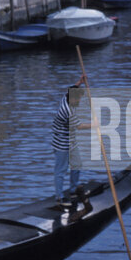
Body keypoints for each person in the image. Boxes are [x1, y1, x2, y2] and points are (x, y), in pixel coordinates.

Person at [51, 76, 90, 204]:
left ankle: (73, 190)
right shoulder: (68, 111)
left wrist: (80, 82)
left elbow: (72, 89)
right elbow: (79, 126)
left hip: (71, 140)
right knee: (60, 170)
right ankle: (59, 197)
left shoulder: (66, 97)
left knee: (77, 164)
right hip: (61, 144)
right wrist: (95, 124)